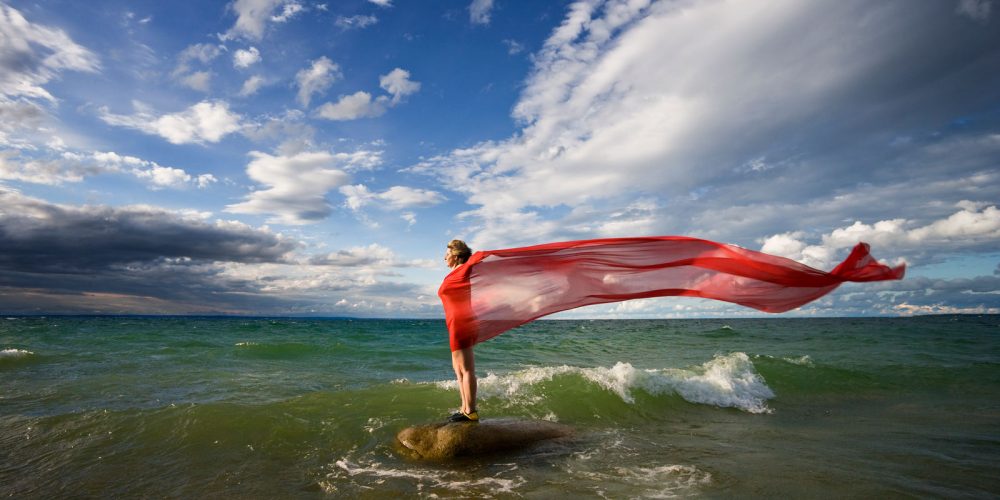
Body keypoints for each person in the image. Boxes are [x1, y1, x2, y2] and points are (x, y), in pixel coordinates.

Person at [442, 239, 478, 422]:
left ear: (456, 256)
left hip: (462, 321)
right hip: (454, 322)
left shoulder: (465, 269)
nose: (444, 258)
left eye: (447, 254)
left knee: (466, 369)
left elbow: (477, 258)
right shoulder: (454, 273)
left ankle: (471, 411)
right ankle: (464, 408)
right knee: (458, 370)